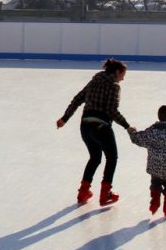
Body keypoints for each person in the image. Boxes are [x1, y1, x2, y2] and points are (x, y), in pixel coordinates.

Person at [56, 58, 136, 206]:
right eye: (123, 75)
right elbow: (111, 111)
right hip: (101, 126)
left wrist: (64, 118)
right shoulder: (113, 86)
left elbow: (77, 99)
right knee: (112, 158)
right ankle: (105, 194)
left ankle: (83, 192)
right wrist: (127, 126)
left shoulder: (94, 80)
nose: (123, 79)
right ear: (117, 72)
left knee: (95, 158)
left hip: (85, 126)